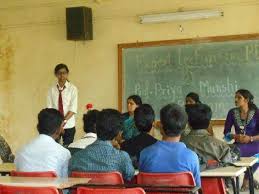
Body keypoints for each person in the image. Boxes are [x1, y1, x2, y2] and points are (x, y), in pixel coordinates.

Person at [139, 103, 201, 187]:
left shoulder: (145, 154)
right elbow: (197, 188)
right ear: (184, 128)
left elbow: (142, 187)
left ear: (160, 127)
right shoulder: (192, 157)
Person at [68, 109, 135, 181]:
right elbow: (130, 177)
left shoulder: (76, 158)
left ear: (96, 127)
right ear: (118, 133)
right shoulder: (122, 157)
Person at [15, 108, 71, 177]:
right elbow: (65, 183)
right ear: (58, 130)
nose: (63, 130)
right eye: (62, 126)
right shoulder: (64, 153)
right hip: (52, 187)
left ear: (38, 127)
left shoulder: (21, 150)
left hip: (22, 188)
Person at [182, 103, 235, 170]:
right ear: (209, 123)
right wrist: (209, 164)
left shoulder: (181, 144)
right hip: (215, 180)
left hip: (188, 180)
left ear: (188, 123)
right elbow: (228, 170)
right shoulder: (222, 147)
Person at [224, 89, 259, 191]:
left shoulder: (257, 113)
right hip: (238, 144)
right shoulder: (232, 112)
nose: (236, 99)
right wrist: (235, 136)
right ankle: (231, 179)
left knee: (257, 155)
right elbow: (226, 133)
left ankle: (247, 180)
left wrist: (251, 138)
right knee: (229, 153)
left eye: (239, 97)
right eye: (235, 97)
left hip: (255, 143)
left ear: (246, 100)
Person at [47, 63, 78, 146]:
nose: (62, 75)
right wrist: (57, 124)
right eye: (59, 73)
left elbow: (73, 109)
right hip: (55, 125)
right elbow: (49, 109)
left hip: (69, 125)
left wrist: (62, 122)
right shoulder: (51, 89)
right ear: (56, 74)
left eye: (64, 73)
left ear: (67, 74)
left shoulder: (73, 89)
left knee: (68, 149)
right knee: (54, 148)